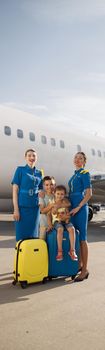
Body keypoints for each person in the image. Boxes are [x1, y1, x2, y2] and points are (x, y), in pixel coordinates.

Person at [68, 151, 92, 282]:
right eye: (76, 157)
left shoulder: (84, 173)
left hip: (80, 208)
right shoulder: (74, 175)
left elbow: (89, 193)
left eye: (80, 158)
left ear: (84, 161)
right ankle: (79, 265)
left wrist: (78, 207)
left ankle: (85, 270)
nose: (77, 159)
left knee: (82, 238)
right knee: (75, 237)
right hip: (72, 209)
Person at [11, 149, 43, 241]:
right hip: (22, 209)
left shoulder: (39, 173)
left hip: (35, 209)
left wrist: (42, 193)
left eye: (34, 156)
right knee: (21, 237)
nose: (32, 157)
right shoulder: (20, 170)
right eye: (29, 155)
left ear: (36, 158)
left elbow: (41, 190)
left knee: (33, 237)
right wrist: (16, 210)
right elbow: (15, 191)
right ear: (25, 157)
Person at [47, 185, 78, 261]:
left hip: (66, 221)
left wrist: (60, 205)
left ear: (64, 195)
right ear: (54, 193)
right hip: (57, 221)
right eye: (58, 194)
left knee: (72, 229)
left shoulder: (65, 201)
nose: (59, 196)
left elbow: (68, 205)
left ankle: (72, 250)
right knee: (60, 229)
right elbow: (50, 214)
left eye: (61, 194)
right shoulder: (52, 202)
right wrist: (50, 225)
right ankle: (60, 251)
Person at [39, 176, 55, 240]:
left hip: (54, 225)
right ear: (44, 186)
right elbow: (42, 211)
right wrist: (51, 205)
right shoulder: (42, 196)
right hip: (44, 225)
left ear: (55, 185)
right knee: (42, 242)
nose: (49, 187)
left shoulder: (56, 196)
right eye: (47, 185)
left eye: (51, 184)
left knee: (52, 245)